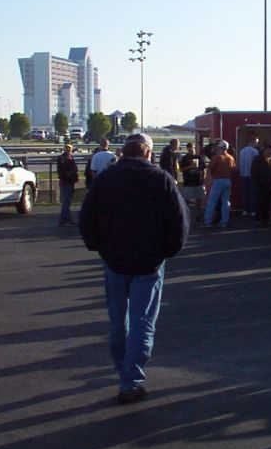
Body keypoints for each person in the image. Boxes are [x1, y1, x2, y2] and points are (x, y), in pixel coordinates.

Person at [79, 133, 190, 404]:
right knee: (142, 322)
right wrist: (166, 252)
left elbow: (86, 216)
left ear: (123, 152)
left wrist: (98, 246)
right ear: (148, 153)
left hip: (114, 261)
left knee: (118, 321)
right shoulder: (161, 179)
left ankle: (123, 369)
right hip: (149, 264)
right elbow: (179, 221)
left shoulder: (106, 178)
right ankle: (130, 379)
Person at [203, 140, 235, 228]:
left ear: (220, 147)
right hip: (228, 180)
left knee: (212, 201)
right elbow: (233, 169)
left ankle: (207, 221)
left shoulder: (216, 157)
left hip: (218, 180)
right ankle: (224, 221)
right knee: (226, 202)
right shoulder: (231, 157)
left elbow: (210, 169)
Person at [178, 142, 207, 221]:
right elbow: (181, 169)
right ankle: (185, 215)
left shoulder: (199, 157)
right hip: (188, 182)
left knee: (199, 199)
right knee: (186, 199)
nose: (192, 150)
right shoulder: (185, 158)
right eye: (190, 148)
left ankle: (198, 214)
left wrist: (203, 177)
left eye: (193, 148)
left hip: (198, 182)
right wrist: (190, 166)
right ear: (187, 149)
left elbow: (203, 168)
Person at [251, 142, 271, 223]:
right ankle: (258, 218)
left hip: (270, 184)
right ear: (265, 150)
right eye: (269, 150)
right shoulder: (258, 159)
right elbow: (253, 171)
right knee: (260, 201)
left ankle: (265, 218)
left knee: (268, 201)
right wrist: (259, 180)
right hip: (261, 183)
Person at [57, 143, 79, 226]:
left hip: (68, 182)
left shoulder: (70, 157)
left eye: (69, 148)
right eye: (67, 148)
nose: (68, 149)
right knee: (66, 202)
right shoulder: (63, 159)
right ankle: (67, 219)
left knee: (66, 202)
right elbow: (64, 172)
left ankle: (63, 220)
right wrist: (71, 177)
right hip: (66, 182)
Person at [237, 134, 259, 216]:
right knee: (253, 193)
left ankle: (245, 210)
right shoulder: (255, 151)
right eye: (256, 142)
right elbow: (256, 164)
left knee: (245, 193)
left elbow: (239, 164)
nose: (256, 144)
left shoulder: (242, 151)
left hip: (243, 175)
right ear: (252, 142)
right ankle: (253, 210)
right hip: (252, 175)